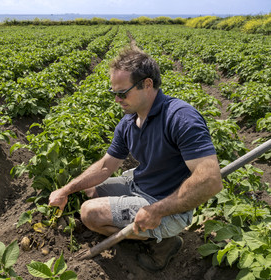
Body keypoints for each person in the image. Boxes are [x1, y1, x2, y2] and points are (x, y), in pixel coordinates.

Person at [48, 47, 223, 271]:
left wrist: (157, 211)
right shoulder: (129, 121)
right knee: (90, 190)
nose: (117, 99)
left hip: (167, 206)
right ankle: (144, 231)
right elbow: (105, 167)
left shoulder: (180, 117)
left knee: (89, 213)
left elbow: (210, 180)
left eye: (122, 92)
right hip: (139, 185)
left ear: (147, 85)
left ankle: (164, 243)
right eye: (114, 93)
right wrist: (65, 190)